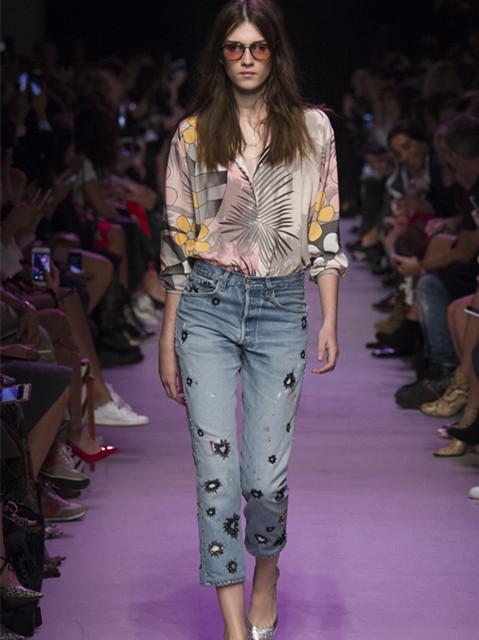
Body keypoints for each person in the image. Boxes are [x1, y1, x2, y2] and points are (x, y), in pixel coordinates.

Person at [158, 1, 348, 639]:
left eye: (258, 47)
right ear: (220, 55)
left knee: (265, 478)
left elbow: (323, 225)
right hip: (207, 308)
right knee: (217, 476)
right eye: (235, 47)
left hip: (281, 307)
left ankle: (267, 573)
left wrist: (329, 317)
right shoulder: (194, 135)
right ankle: (235, 630)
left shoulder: (313, 131)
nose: (246, 58)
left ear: (275, 53)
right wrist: (166, 337)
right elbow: (180, 239)